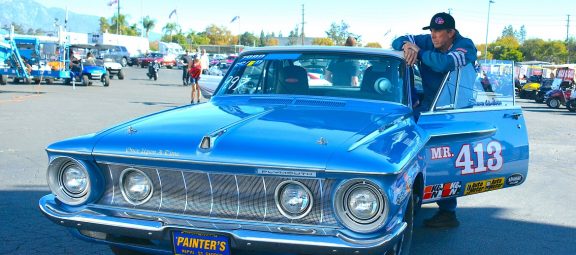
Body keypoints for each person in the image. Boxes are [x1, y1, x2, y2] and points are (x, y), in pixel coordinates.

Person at [392, 12, 478, 228]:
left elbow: (444, 64)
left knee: (446, 159)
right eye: (431, 30)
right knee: (412, 151)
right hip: (429, 108)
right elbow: (397, 40)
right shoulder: (426, 41)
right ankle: (406, 198)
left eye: (438, 31)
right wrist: (405, 45)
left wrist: (418, 53)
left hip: (453, 110)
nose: (433, 35)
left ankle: (448, 212)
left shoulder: (466, 47)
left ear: (451, 33)